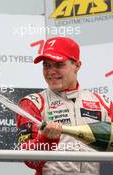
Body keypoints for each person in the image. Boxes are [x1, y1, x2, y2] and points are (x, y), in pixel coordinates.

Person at [16, 36, 113, 175]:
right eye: (46, 65)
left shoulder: (103, 103)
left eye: (59, 64)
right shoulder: (32, 103)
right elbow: (28, 159)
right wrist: (47, 140)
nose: (51, 71)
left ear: (77, 65)